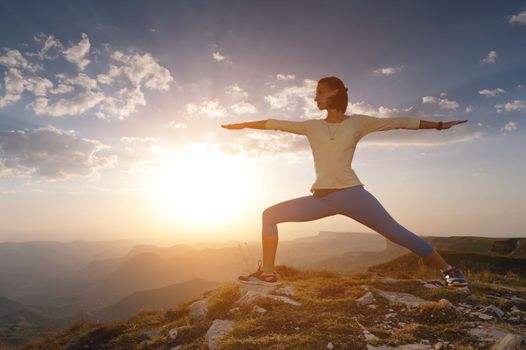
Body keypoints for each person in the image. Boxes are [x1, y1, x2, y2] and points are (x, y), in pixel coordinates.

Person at [221, 76, 469, 288]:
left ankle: (451, 272)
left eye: (319, 92)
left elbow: (398, 121)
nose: (315, 98)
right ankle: (267, 273)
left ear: (335, 93)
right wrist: (244, 125)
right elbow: (274, 124)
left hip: (352, 195)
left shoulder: (358, 123)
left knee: (397, 233)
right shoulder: (311, 127)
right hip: (321, 199)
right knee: (270, 215)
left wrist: (438, 126)